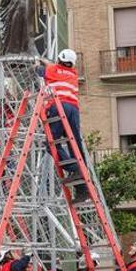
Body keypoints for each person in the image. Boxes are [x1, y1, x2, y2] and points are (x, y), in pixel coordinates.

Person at [38, 49, 88, 201]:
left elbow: (39, 71)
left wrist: (35, 62)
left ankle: (74, 168)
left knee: (51, 143)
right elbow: (56, 68)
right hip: (73, 109)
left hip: (59, 107)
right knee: (75, 146)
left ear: (59, 59)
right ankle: (83, 189)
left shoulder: (52, 70)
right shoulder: (72, 74)